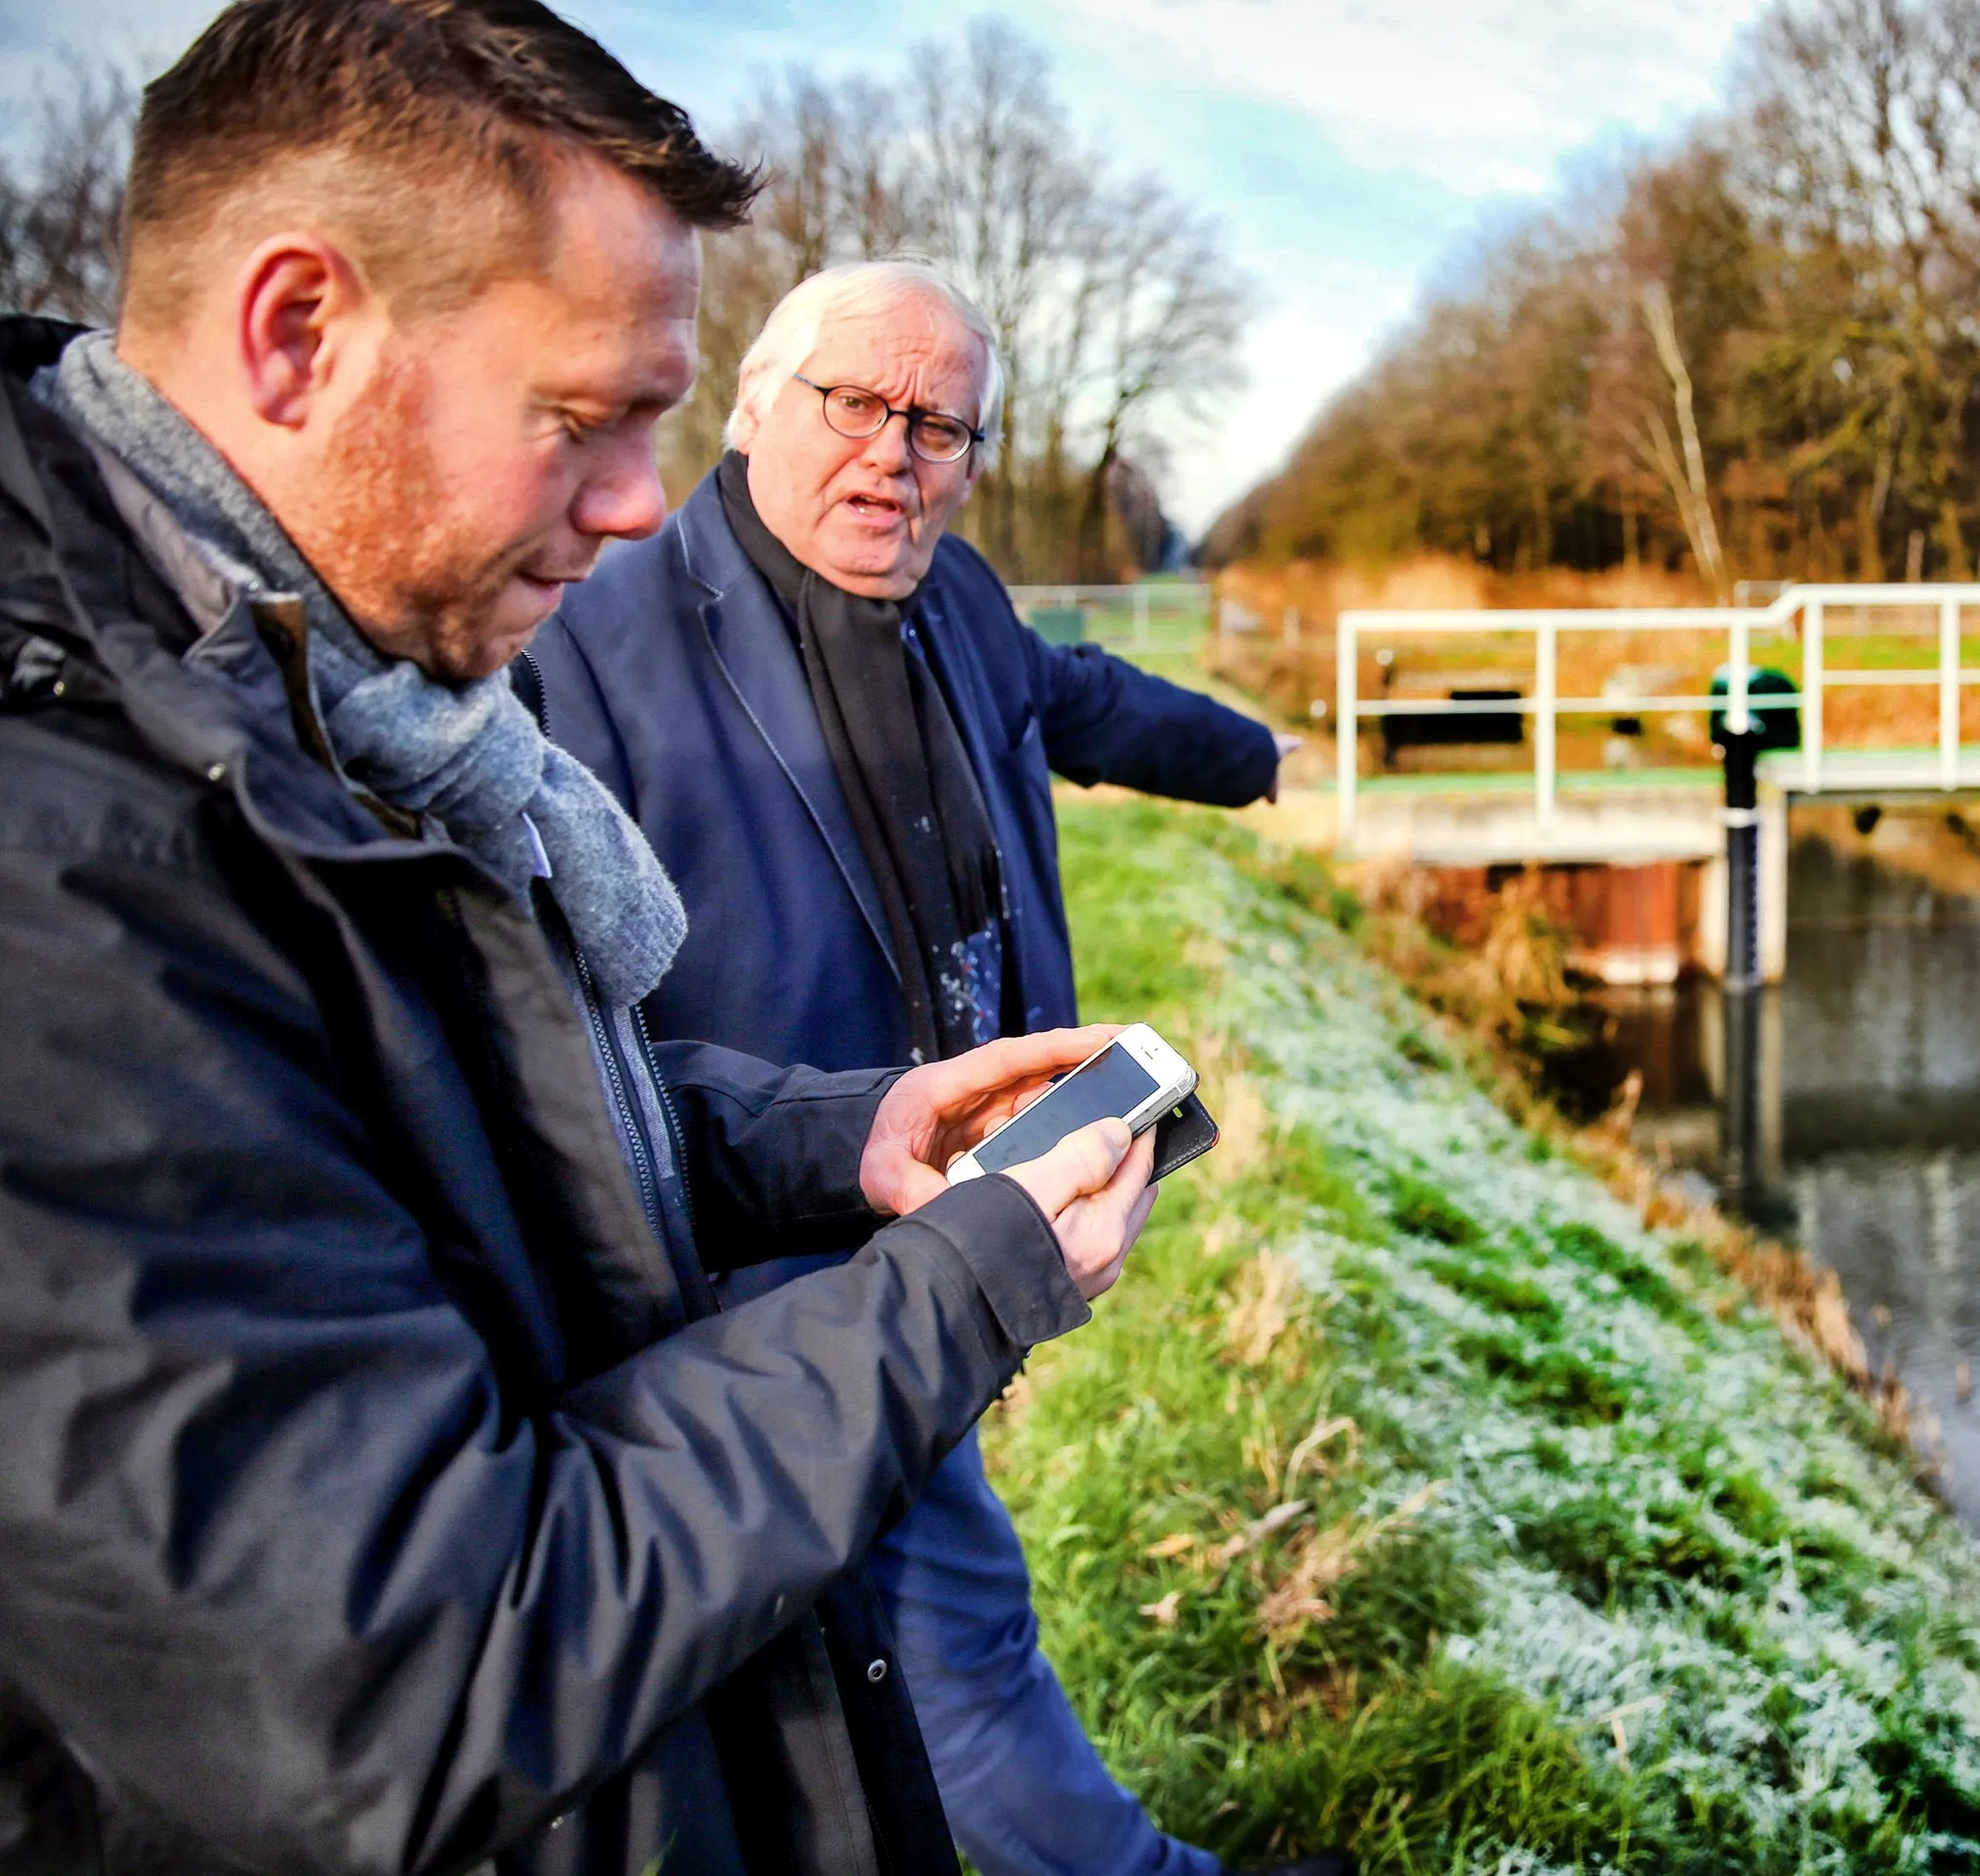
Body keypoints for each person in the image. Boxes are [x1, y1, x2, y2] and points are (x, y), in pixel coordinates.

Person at [0, 4, 1162, 1870]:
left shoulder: (348, 710)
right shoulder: (62, 879)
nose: (638, 508)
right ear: (298, 333)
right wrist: (959, 1288)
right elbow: (415, 1660)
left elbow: (435, 1138)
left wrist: (815, 1140)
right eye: (583, 421)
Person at [526, 263, 1322, 1876]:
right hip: (773, 1265)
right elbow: (562, 1037)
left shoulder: (955, 597)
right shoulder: (592, 645)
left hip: (959, 1204)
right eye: (855, 404)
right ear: (754, 405)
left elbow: (1077, 702)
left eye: (937, 422)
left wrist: (1260, 759)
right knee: (952, 1639)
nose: (893, 451)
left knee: (893, 1646)